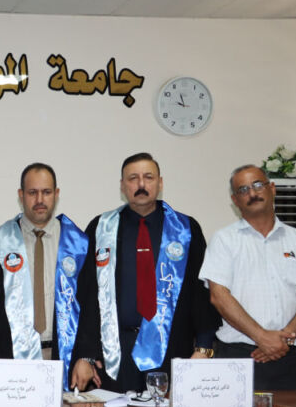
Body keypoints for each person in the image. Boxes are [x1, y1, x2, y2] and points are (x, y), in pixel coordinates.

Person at [71, 152, 218, 393]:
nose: (141, 184)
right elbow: (87, 295)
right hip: (115, 352)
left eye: (148, 177)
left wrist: (203, 346)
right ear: (122, 186)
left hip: (172, 349)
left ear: (160, 183)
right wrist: (85, 354)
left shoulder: (186, 229)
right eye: (133, 178)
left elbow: (202, 293)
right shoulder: (101, 228)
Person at [199, 165, 296, 390]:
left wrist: (282, 341)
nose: (252, 193)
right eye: (243, 190)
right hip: (238, 358)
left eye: (258, 185)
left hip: (289, 358)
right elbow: (219, 296)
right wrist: (261, 337)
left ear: (272, 188)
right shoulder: (224, 240)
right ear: (235, 200)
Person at [0, 162, 88, 386]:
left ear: (56, 194)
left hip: (65, 356)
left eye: (46, 192)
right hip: (10, 357)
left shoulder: (78, 243)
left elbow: (90, 305)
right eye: (32, 192)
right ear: (21, 195)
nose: (40, 200)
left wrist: (86, 355)